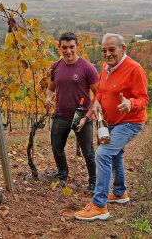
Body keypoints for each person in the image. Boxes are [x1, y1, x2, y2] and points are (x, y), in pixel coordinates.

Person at [74, 33, 149, 221]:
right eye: (104, 50)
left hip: (130, 122)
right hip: (110, 122)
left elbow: (143, 99)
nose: (107, 54)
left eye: (111, 49)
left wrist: (131, 104)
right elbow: (100, 92)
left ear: (123, 49)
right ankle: (119, 192)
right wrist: (97, 103)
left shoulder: (135, 69)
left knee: (103, 153)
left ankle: (99, 206)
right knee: (115, 155)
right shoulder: (106, 68)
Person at [45, 31, 99, 191]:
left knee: (88, 152)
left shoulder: (87, 68)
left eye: (71, 47)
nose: (68, 51)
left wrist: (87, 116)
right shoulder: (56, 67)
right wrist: (48, 98)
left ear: (77, 47)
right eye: (64, 47)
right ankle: (62, 173)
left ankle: (94, 181)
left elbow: (98, 95)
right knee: (56, 147)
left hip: (81, 117)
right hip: (61, 114)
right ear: (59, 47)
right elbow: (51, 89)